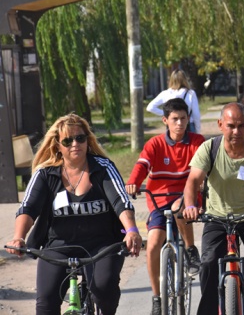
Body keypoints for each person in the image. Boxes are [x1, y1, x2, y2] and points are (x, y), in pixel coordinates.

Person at [5, 113, 142, 315]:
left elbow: (121, 202)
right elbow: (28, 207)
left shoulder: (103, 168)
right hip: (58, 247)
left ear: (88, 140)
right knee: (46, 304)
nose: (75, 144)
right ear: (57, 146)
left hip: (101, 247)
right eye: (67, 140)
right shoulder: (45, 173)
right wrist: (19, 237)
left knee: (104, 292)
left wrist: (131, 230)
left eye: (80, 138)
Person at [181, 103, 244, 315]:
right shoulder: (209, 149)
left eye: (241, 126)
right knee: (209, 263)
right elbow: (193, 181)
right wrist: (191, 205)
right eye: (230, 126)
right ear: (220, 125)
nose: (236, 131)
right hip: (217, 217)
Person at [125, 98, 205, 315]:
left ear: (188, 119)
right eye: (174, 119)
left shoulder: (197, 142)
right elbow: (142, 165)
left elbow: (205, 166)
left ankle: (189, 248)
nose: (179, 123)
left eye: (183, 119)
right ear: (165, 120)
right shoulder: (155, 144)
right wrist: (134, 182)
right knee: (152, 246)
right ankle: (157, 297)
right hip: (158, 199)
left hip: (187, 196)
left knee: (180, 208)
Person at [147, 69, 201, 134]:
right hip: (188, 125)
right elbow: (196, 114)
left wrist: (166, 114)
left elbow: (150, 107)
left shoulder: (165, 93)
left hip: (172, 126)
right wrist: (198, 130)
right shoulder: (190, 93)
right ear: (184, 79)